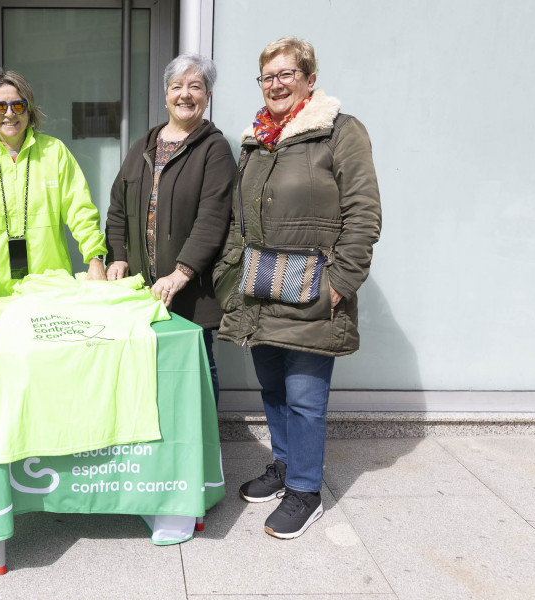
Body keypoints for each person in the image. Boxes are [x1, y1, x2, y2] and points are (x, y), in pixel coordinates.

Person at [214, 37, 381, 539]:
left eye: (287, 73)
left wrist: (341, 281)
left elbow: (363, 213)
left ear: (310, 78)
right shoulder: (257, 141)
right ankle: (285, 468)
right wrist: (229, 275)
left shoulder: (340, 132)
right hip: (261, 288)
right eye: (268, 76)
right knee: (274, 389)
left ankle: (306, 492)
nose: (277, 84)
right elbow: (239, 218)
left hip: (313, 289)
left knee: (307, 398)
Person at [105, 53, 235, 401]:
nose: (185, 94)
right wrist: (117, 256)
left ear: (207, 96)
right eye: (177, 86)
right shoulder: (143, 147)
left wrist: (182, 273)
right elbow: (118, 207)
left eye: (196, 86)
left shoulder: (215, 150)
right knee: (148, 372)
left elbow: (213, 220)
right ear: (166, 94)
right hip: (142, 291)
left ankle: (204, 448)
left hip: (190, 292)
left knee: (196, 371)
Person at [0, 70, 107, 311]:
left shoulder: (54, 152)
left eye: (18, 106)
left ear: (29, 109)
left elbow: (80, 209)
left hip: (51, 290)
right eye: (0, 107)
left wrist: (95, 258)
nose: (10, 114)